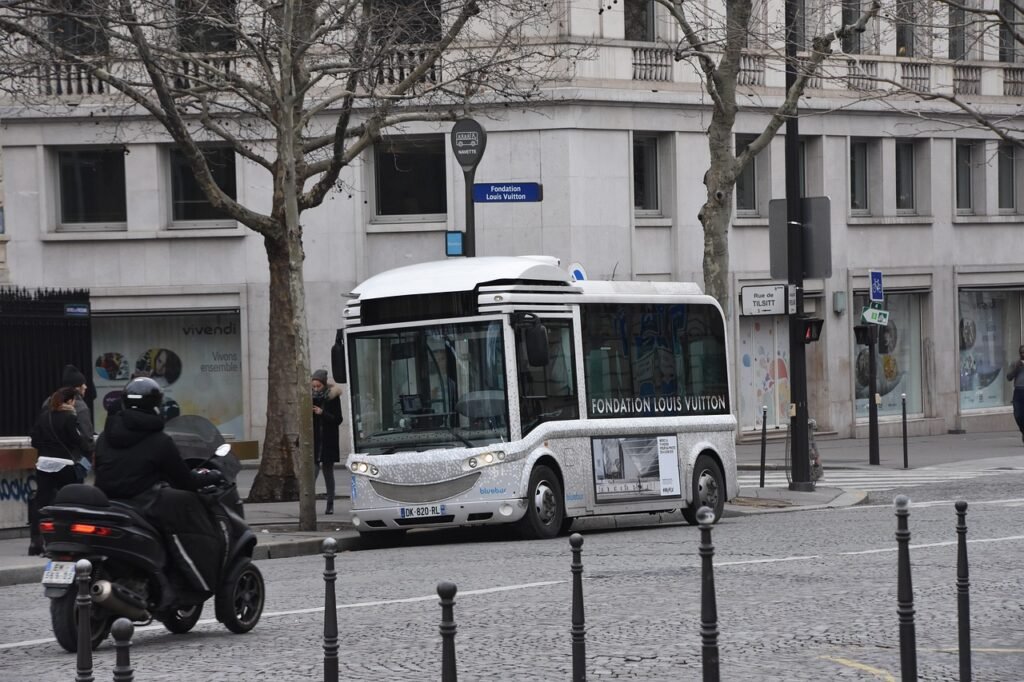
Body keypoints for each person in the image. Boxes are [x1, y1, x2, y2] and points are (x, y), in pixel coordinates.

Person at [94, 377, 223, 593]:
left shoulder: (105, 438)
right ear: (155, 406)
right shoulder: (160, 441)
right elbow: (184, 481)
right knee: (189, 506)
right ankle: (195, 578)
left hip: (108, 502)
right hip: (143, 505)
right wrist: (209, 477)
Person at [27, 386, 93, 555]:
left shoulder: (43, 417)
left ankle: (36, 542)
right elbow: (78, 441)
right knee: (70, 502)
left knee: (42, 503)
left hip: (43, 464)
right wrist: (87, 448)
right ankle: (69, 540)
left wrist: (47, 449)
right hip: (65, 464)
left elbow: (34, 441)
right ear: (70, 401)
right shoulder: (70, 417)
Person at [312, 369, 343, 515]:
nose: (316, 389)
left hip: (328, 440)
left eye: (318, 386)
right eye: (314, 386)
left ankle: (330, 504)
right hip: (315, 440)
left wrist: (322, 413)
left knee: (328, 472)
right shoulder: (310, 398)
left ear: (324, 384)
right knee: (312, 472)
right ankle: (308, 505)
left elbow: (338, 419)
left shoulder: (333, 398)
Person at [59, 364, 95, 464]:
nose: (86, 387)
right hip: (73, 460)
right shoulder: (81, 408)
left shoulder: (48, 402)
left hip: (49, 461)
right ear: (77, 388)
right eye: (83, 384)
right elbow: (87, 438)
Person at [1007, 345, 1024, 444]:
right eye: (1021, 352)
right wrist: (1016, 368)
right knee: (1018, 414)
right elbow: (1008, 377)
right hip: (1018, 391)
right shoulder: (1015, 364)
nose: (1023, 354)